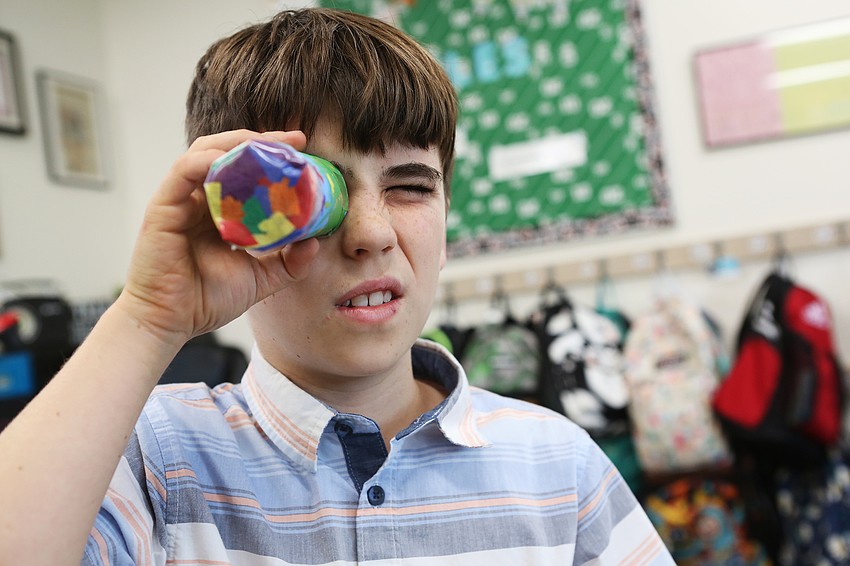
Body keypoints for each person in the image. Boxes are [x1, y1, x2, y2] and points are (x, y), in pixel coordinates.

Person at [0, 8, 675, 565]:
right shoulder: (158, 458)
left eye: (410, 186)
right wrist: (148, 318)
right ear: (240, 223)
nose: (373, 233)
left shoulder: (554, 465)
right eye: (318, 193)